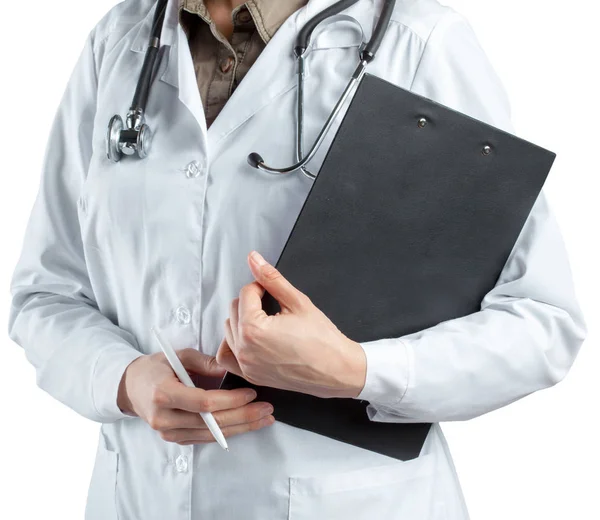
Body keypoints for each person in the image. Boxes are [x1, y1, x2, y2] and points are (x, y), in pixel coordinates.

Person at [8, 0, 587, 518]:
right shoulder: (121, 41)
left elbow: (539, 321)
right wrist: (126, 380)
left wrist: (358, 371)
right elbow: (46, 295)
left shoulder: (418, 43)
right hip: (134, 495)